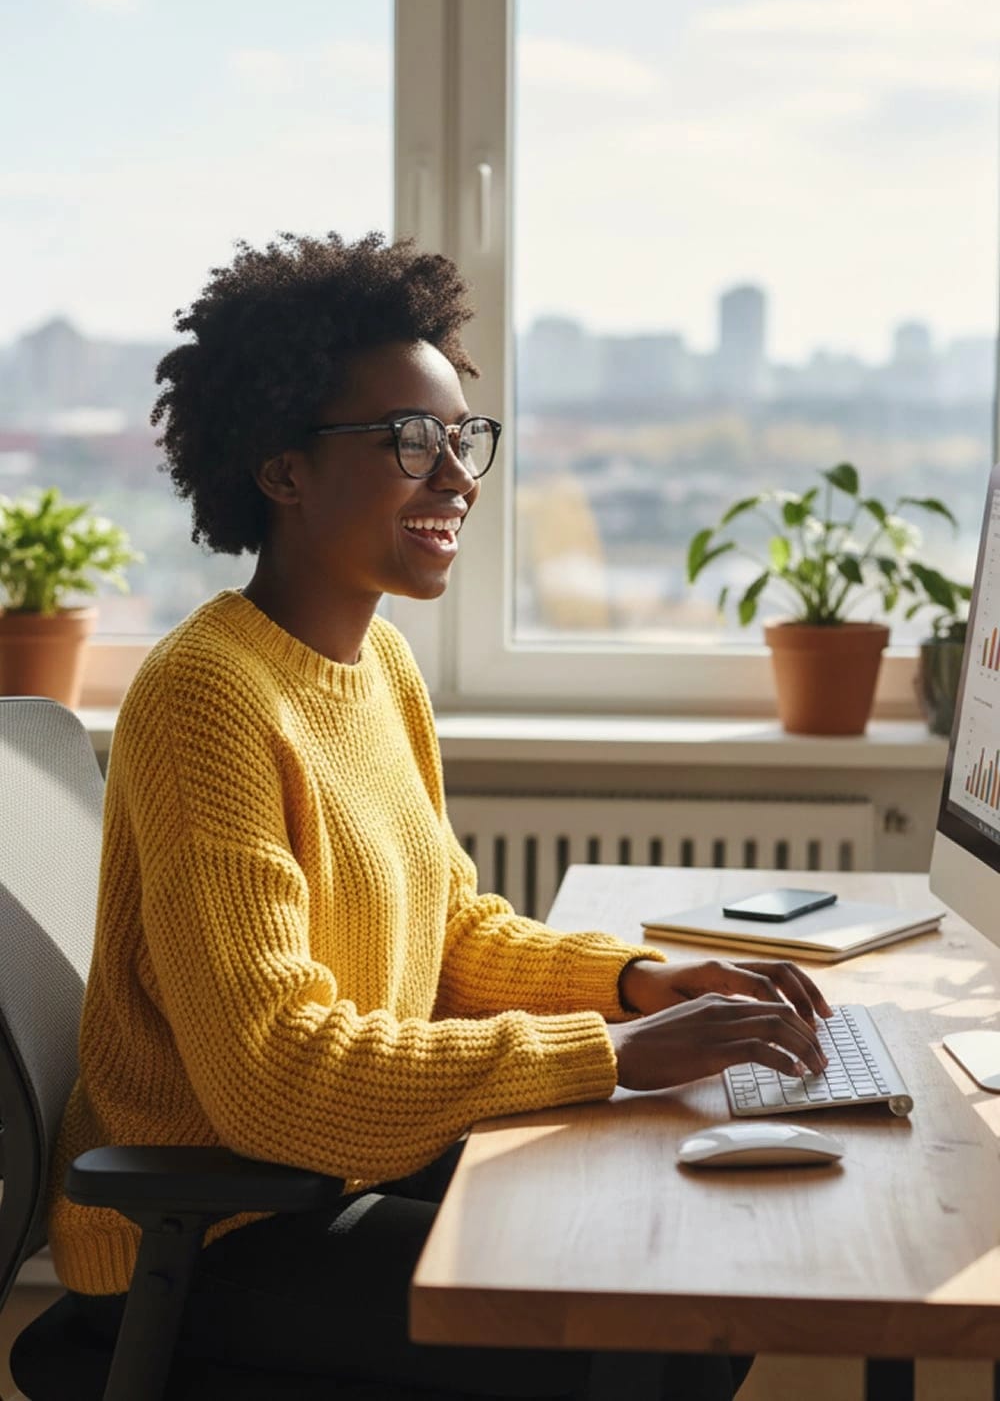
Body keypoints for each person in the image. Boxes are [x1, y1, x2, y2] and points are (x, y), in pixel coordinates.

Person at [48, 231, 833, 1400]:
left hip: (343, 1168)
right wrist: (605, 1056)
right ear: (281, 468)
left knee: (692, 1254)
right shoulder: (207, 696)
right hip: (218, 1231)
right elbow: (275, 1077)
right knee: (647, 1316)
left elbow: (449, 937)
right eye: (410, 439)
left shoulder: (379, 668)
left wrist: (637, 984)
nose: (457, 474)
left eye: (461, 436)